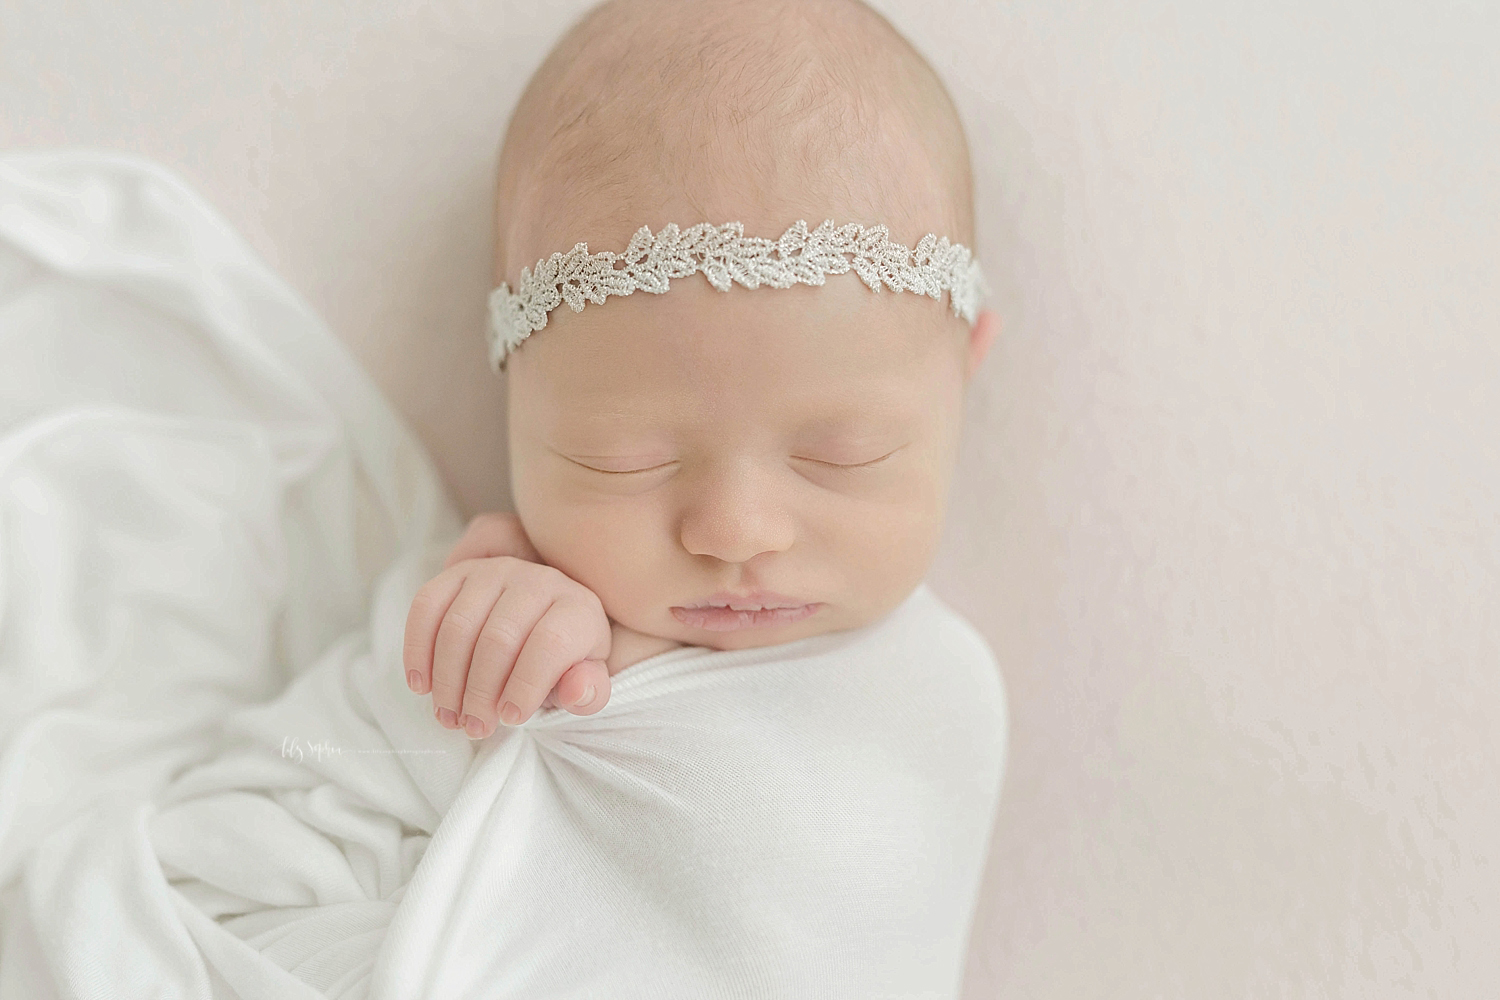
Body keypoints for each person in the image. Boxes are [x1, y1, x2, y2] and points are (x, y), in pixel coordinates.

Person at [403, 0, 1001, 741]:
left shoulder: (940, 697)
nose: (735, 533)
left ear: (964, 373)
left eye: (840, 453)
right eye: (624, 461)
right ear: (512, 391)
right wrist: (480, 665)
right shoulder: (476, 601)